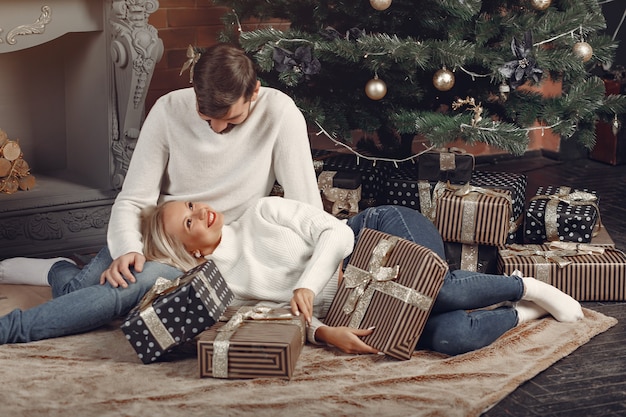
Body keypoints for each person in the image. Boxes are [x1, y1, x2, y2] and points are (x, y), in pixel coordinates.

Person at [0, 43, 322, 344]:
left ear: (255, 91)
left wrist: (310, 276)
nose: (217, 128)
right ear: (196, 92)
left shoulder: (280, 113)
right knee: (84, 289)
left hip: (209, 252)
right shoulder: (168, 109)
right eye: (206, 117)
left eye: (232, 120)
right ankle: (62, 269)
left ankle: (11, 328)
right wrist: (128, 248)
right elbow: (133, 199)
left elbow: (306, 208)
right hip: (157, 235)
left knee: (115, 292)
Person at [140, 196, 584, 356]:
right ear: (189, 249)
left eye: (193, 205)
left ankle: (531, 284)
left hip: (380, 233)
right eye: (189, 222)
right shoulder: (224, 287)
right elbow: (284, 319)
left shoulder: (261, 211)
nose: (201, 212)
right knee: (450, 339)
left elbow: (335, 233)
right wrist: (326, 334)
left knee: (441, 290)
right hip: (365, 300)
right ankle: (522, 313)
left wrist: (308, 284)